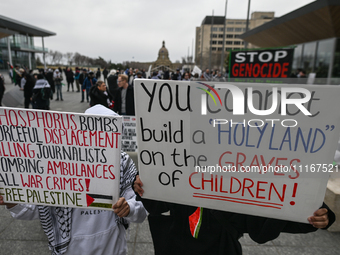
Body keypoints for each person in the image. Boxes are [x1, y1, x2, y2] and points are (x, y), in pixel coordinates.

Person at [0, 105, 147, 255]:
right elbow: (37, 209)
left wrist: (129, 208)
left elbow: (141, 210)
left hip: (112, 247)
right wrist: (11, 201)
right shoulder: (61, 165)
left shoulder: (122, 162)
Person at [134, 176, 335, 255]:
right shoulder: (180, 167)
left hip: (221, 250)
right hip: (178, 248)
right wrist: (144, 187)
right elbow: (156, 205)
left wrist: (315, 215)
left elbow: (269, 217)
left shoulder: (243, 177)